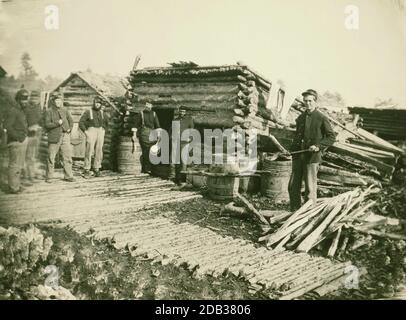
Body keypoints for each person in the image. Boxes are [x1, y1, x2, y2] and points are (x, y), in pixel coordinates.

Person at [288, 89, 336, 212]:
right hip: (298, 156)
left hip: (312, 157)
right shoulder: (300, 118)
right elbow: (297, 137)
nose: (307, 103)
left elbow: (331, 137)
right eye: (305, 101)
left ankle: (308, 213)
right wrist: (292, 150)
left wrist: (318, 146)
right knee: (293, 186)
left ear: (315, 102)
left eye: (310, 101)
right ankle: (294, 211)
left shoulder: (321, 118)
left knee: (310, 188)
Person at [43, 91, 75, 182]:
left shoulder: (64, 110)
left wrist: (69, 129)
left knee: (67, 156)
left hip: (65, 136)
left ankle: (68, 176)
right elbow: (47, 124)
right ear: (53, 101)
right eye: (57, 101)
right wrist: (57, 123)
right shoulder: (49, 111)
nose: (58, 103)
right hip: (54, 137)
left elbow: (71, 121)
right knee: (51, 157)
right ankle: (49, 177)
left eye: (59, 101)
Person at [4, 89, 29, 193]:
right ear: (18, 100)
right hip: (15, 142)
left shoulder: (20, 110)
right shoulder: (13, 110)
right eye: (23, 99)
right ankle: (13, 187)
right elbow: (7, 126)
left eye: (26, 99)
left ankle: (16, 186)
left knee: (19, 165)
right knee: (14, 165)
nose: (25, 101)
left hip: (21, 141)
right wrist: (19, 137)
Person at [79, 96, 109, 178]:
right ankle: (86, 169)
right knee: (89, 150)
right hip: (91, 131)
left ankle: (96, 168)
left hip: (100, 131)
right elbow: (81, 122)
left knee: (99, 151)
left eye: (99, 103)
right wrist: (86, 132)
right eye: (96, 103)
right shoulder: (88, 112)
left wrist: (104, 129)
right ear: (94, 103)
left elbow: (107, 122)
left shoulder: (102, 113)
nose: (97, 105)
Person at [169, 105, 194, 185]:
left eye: (183, 111)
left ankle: (182, 179)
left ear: (185, 112)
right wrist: (171, 137)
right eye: (180, 111)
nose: (182, 112)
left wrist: (190, 139)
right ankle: (173, 177)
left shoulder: (189, 120)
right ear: (178, 111)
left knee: (183, 161)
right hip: (176, 142)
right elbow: (171, 130)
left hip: (184, 142)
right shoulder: (175, 120)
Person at [133, 100, 160, 174]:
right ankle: (146, 168)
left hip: (152, 133)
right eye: (147, 105)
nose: (148, 106)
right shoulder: (141, 113)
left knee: (152, 151)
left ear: (151, 106)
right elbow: (135, 125)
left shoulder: (154, 114)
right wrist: (134, 135)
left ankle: (152, 168)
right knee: (146, 150)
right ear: (145, 105)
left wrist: (159, 136)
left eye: (149, 105)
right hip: (144, 133)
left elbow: (157, 126)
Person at [24, 91, 43, 182]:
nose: (34, 100)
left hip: (37, 134)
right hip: (28, 134)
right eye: (33, 98)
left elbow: (41, 119)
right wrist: (29, 128)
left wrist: (40, 126)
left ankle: (33, 173)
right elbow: (22, 121)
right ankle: (28, 175)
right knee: (29, 156)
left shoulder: (39, 108)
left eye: (36, 98)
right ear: (30, 98)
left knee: (35, 155)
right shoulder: (26, 108)